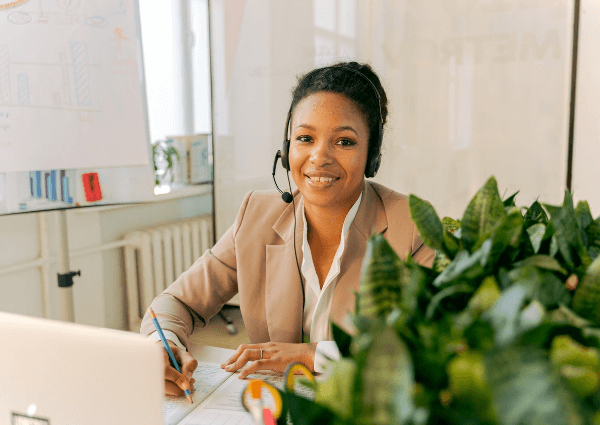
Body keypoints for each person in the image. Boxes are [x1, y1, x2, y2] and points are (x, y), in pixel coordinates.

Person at [140, 61, 435, 397]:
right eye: (305, 138)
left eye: (344, 142)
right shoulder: (257, 216)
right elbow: (178, 302)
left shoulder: (412, 225)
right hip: (274, 407)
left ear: (372, 155)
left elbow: (438, 346)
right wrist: (163, 345)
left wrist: (314, 356)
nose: (319, 157)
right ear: (286, 150)